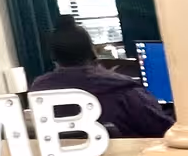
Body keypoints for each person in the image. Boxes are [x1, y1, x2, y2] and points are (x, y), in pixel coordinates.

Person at [29, 19, 174, 139]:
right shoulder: (125, 91)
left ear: (54, 58)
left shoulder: (39, 92)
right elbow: (166, 131)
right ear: (93, 51)